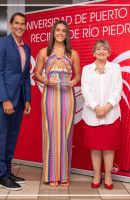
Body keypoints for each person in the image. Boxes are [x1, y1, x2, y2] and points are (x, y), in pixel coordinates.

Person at [34, 20, 81, 187]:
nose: (60, 33)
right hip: (49, 96)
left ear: (67, 34)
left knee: (66, 134)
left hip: (68, 96)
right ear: (53, 33)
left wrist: (73, 82)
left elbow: (78, 76)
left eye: (63, 31)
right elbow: (37, 74)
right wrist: (46, 80)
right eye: (57, 30)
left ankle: (64, 174)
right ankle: (51, 174)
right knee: (50, 133)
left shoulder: (73, 54)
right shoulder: (43, 52)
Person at [81, 40, 122, 190]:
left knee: (109, 147)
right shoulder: (87, 69)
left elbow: (118, 90)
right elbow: (85, 91)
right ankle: (97, 174)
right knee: (95, 147)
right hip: (92, 114)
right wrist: (97, 108)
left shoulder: (116, 68)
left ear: (109, 53)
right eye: (98, 49)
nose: (101, 51)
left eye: (104, 49)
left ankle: (109, 176)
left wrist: (106, 107)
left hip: (111, 114)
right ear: (93, 53)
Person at [0, 13, 31, 190]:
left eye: (22, 24)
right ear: (10, 25)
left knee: (11, 138)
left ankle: (7, 170)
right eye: (16, 23)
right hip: (5, 99)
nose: (19, 26)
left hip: (19, 100)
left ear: (26, 27)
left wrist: (27, 100)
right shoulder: (2, 43)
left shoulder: (26, 48)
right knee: (2, 137)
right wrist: (4, 99)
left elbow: (25, 76)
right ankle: (1, 175)